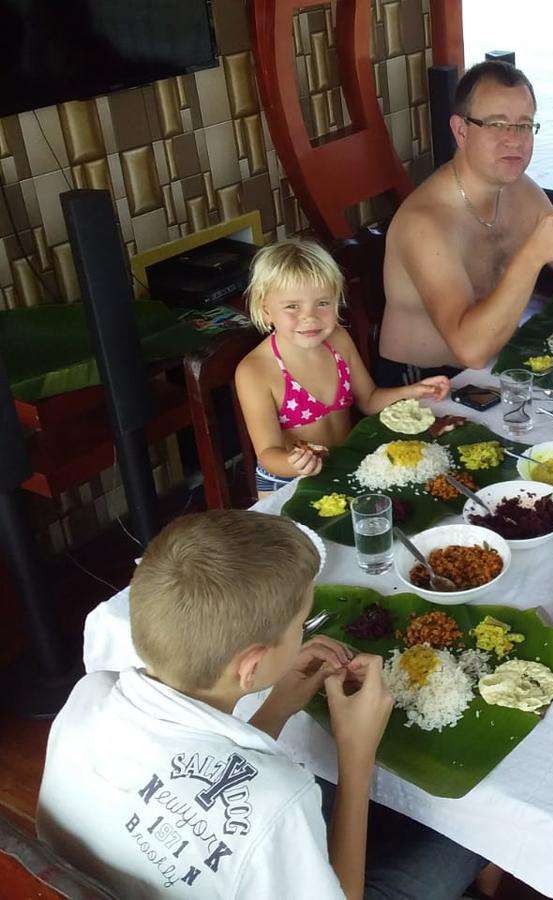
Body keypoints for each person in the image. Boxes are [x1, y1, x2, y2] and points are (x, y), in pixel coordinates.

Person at [37, 510, 485, 899]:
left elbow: (210, 778)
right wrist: (356, 754)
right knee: (467, 839)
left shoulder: (89, 694)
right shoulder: (279, 799)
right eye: (300, 626)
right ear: (250, 666)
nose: (303, 633)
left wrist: (274, 710)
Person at [379, 60, 553, 380]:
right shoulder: (425, 223)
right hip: (427, 384)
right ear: (461, 131)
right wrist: (532, 256)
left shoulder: (521, 190)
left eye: (524, 125)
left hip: (498, 365)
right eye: (496, 124)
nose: (514, 139)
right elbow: (471, 351)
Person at [235, 239, 450, 497]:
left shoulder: (337, 339)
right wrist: (295, 463)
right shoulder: (254, 371)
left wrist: (413, 391)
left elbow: (369, 400)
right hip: (289, 484)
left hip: (343, 466)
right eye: (292, 306)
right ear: (265, 309)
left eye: (323, 303)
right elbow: (268, 454)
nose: (310, 316)